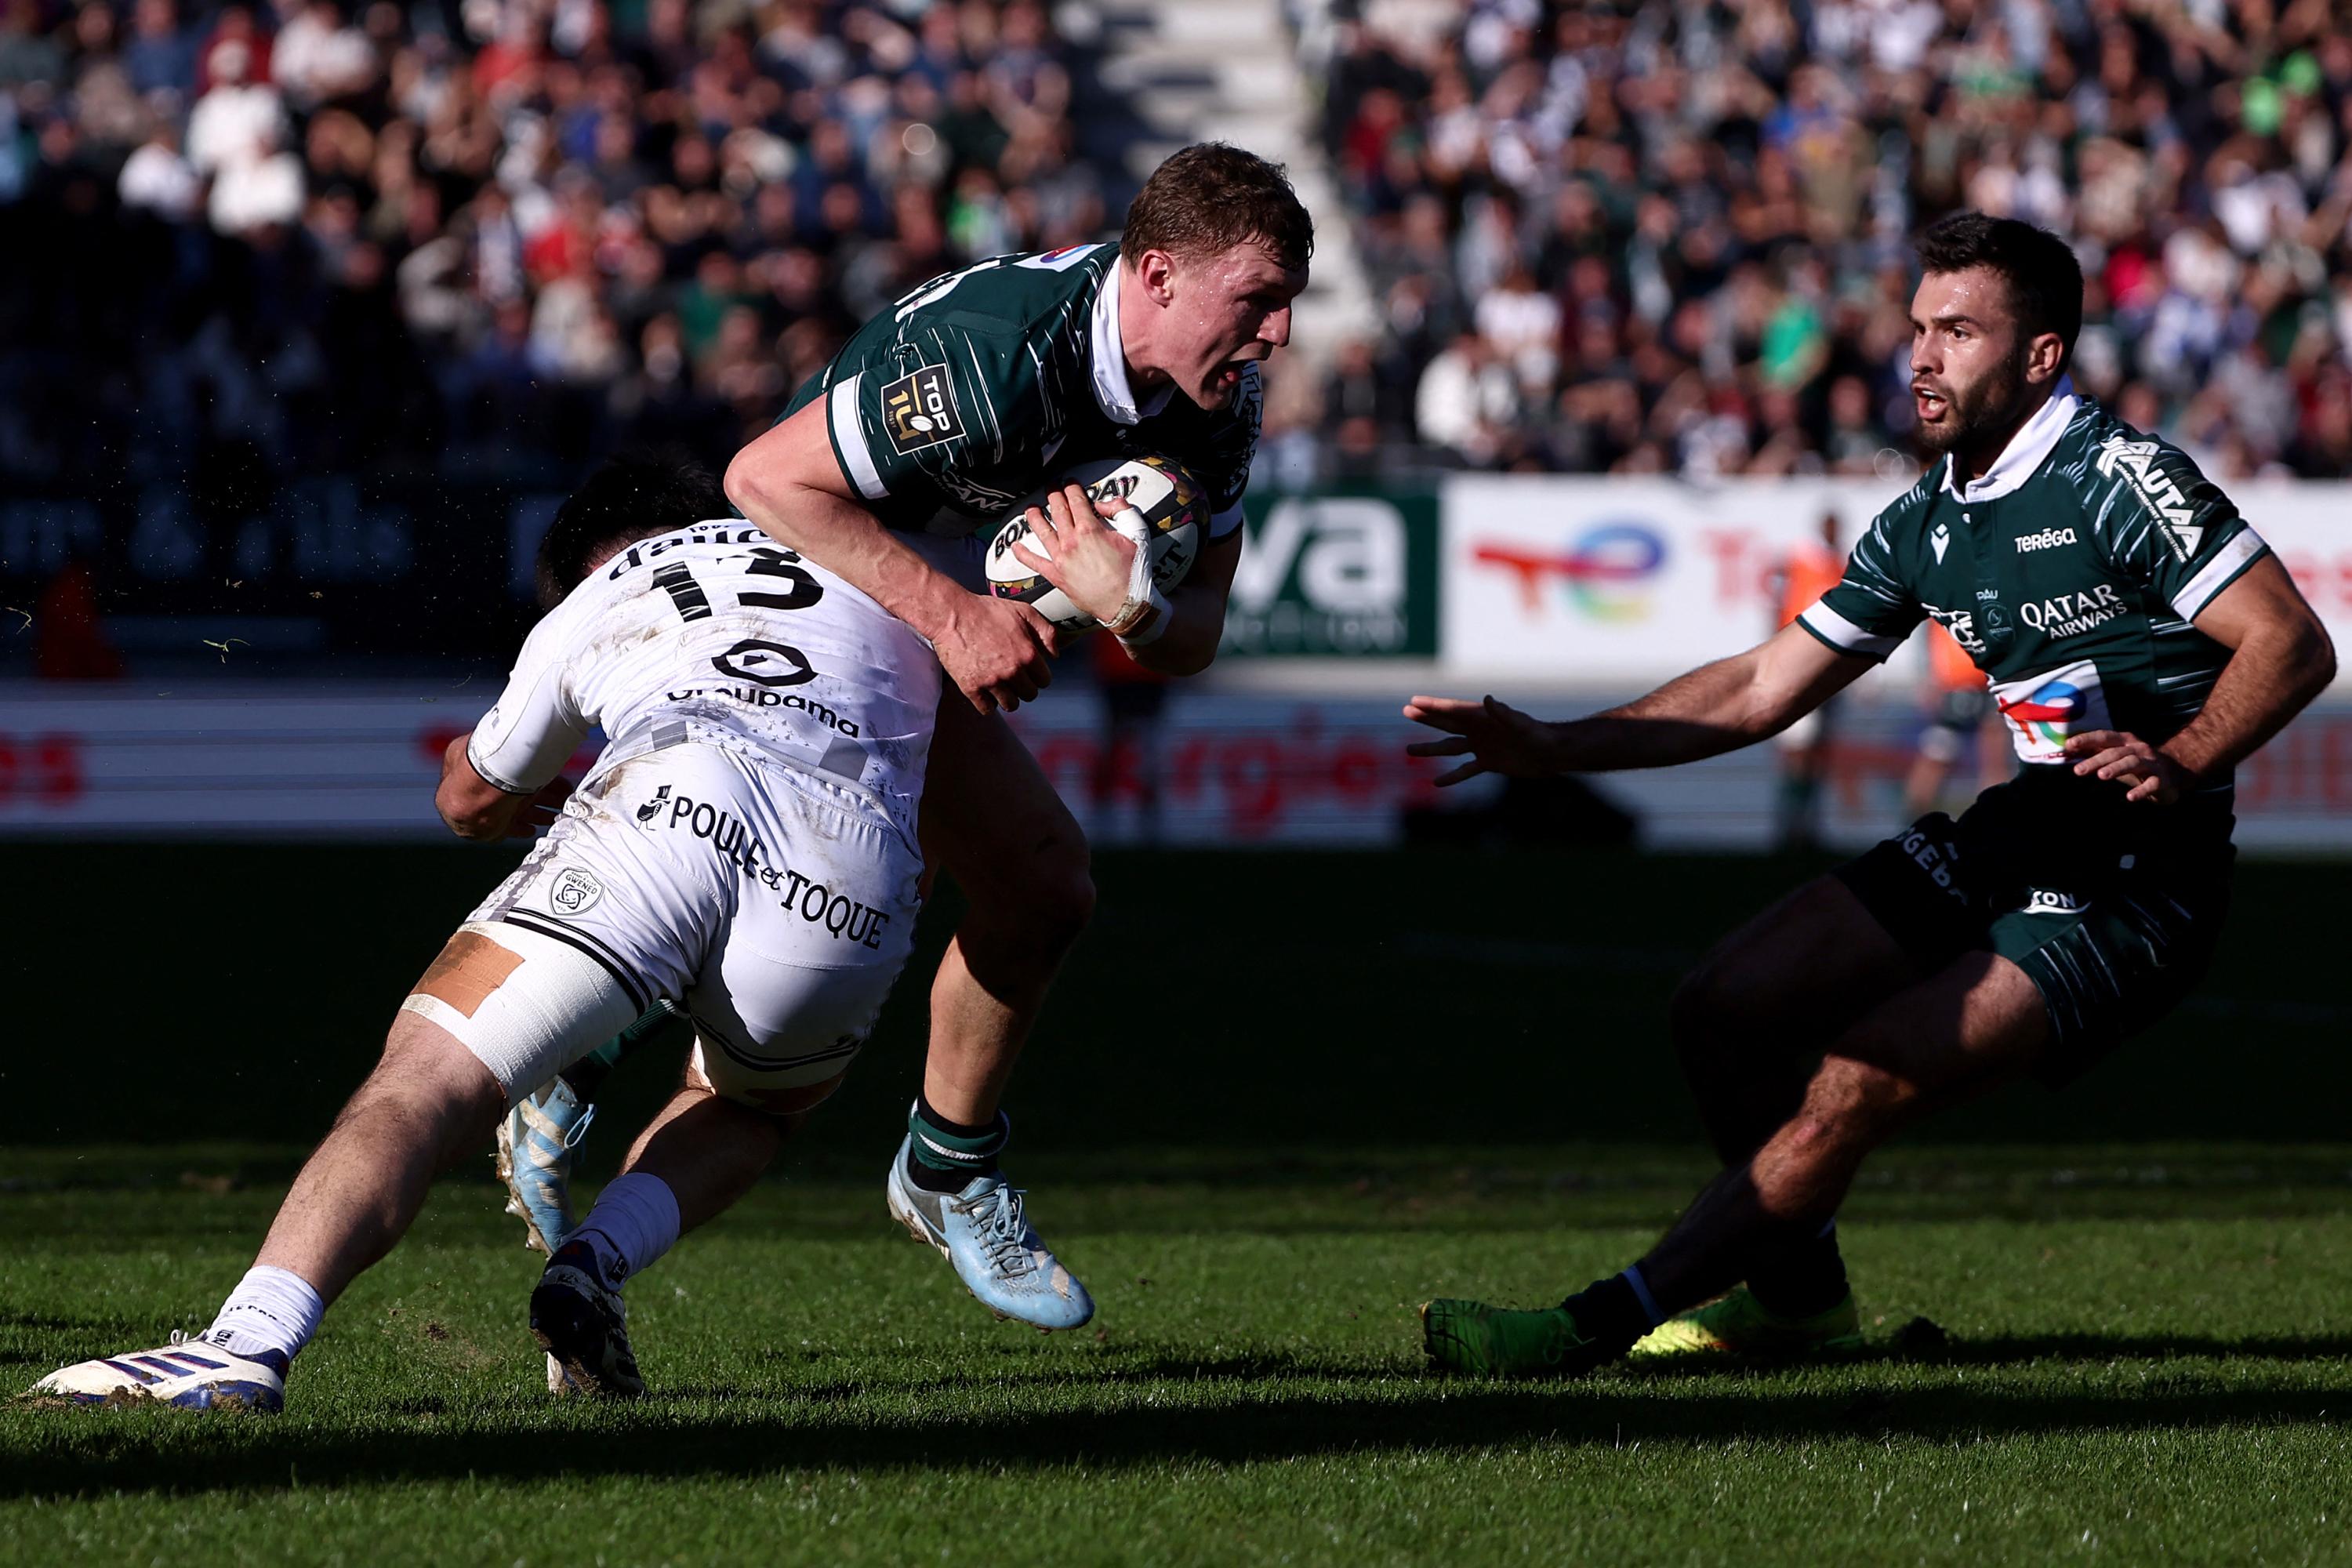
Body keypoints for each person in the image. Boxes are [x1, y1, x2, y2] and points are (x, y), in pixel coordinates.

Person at [1406, 213, 2336, 1377]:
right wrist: (1552, 747)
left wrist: (2187, 756)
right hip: (2023, 830)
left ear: (2041, 355)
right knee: (1726, 1004)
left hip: (2137, 883)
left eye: (1957, 330)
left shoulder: (2115, 479)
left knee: (1856, 1080)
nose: (1922, 357)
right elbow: (1761, 686)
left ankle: (1587, 1329)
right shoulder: (1931, 514)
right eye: (1916, 329)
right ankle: (1799, 1305)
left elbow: (2291, 644)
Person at [501, 143, 1313, 1331]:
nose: (1278, 334)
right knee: (838, 965)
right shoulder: (993, 355)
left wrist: (1125, 599)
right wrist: (959, 619)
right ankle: (890, 1156)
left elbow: (1194, 634)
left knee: (1029, 894)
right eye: (1257, 301)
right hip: (817, 601)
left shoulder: (1219, 397)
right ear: (1156, 276)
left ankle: (911, 1158)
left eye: (1288, 303)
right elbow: (762, 480)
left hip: (920, 637)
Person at [32, 453, 948, 1408]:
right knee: (752, 1107)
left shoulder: (610, 592)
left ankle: (248, 1341)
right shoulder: (872, 575)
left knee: (424, 1082)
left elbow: (470, 797)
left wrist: (505, 799)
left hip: (674, 796)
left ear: (595, 560)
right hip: (855, 873)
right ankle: (594, 1261)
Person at [1768, 510, 1849, 851]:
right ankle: (1790, 823)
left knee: (1818, 748)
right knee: (1797, 746)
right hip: (1800, 666)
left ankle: (1807, 823)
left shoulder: (1839, 566)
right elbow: (1779, 607)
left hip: (1830, 668)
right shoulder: (1802, 562)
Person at [1903, 619, 2007, 818]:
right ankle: (1915, 816)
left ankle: (1996, 821)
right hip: (1956, 686)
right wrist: (1929, 680)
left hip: (1992, 683)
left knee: (1995, 757)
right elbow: (1926, 643)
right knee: (1938, 754)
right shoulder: (1938, 600)